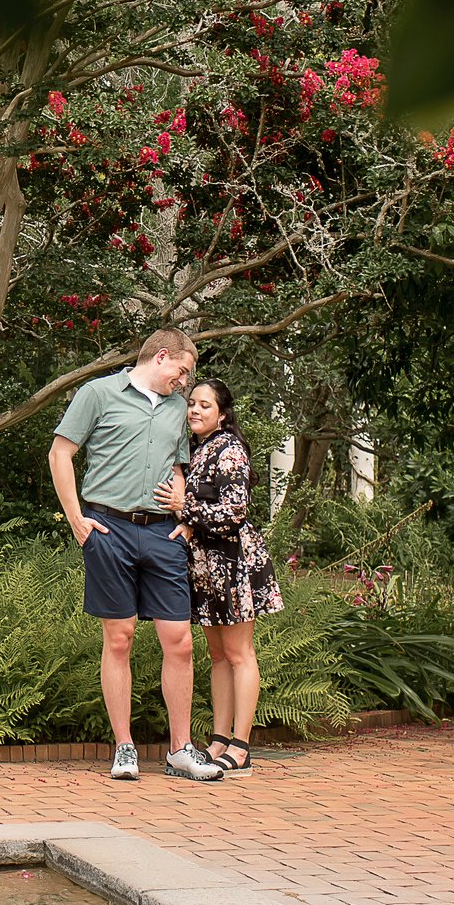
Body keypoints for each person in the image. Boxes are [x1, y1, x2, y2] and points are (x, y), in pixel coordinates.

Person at [49, 328, 225, 783]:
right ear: (162, 356)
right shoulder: (99, 393)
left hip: (163, 536)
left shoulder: (173, 410)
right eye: (183, 372)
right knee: (120, 638)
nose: (184, 383)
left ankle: (180, 750)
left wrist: (184, 520)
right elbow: (60, 454)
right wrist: (76, 520)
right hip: (108, 529)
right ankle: (124, 747)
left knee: (180, 641)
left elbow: (179, 466)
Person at [157, 376, 282, 776]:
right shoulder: (198, 449)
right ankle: (218, 739)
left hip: (234, 563)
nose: (194, 410)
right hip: (206, 568)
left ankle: (241, 747)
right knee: (217, 656)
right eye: (191, 403)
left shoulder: (229, 450)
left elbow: (234, 512)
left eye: (205, 405)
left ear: (223, 414)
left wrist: (184, 507)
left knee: (239, 654)